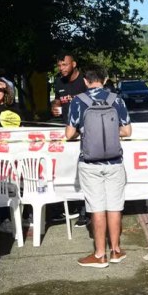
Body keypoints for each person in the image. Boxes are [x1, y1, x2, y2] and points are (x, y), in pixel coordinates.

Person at [65, 66, 132, 268]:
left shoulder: (78, 101)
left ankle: (100, 254)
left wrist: (83, 133)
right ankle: (116, 251)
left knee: (97, 209)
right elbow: (127, 131)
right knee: (114, 206)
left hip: (90, 164)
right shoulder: (116, 100)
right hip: (114, 162)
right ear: (105, 80)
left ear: (86, 81)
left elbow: (69, 134)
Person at [50, 52, 89, 227]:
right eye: (59, 65)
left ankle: (85, 208)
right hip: (67, 132)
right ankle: (69, 206)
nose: (62, 68)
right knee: (67, 170)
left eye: (64, 65)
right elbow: (57, 101)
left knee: (84, 171)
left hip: (85, 133)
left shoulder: (84, 81)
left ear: (73, 64)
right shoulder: (58, 82)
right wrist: (55, 107)